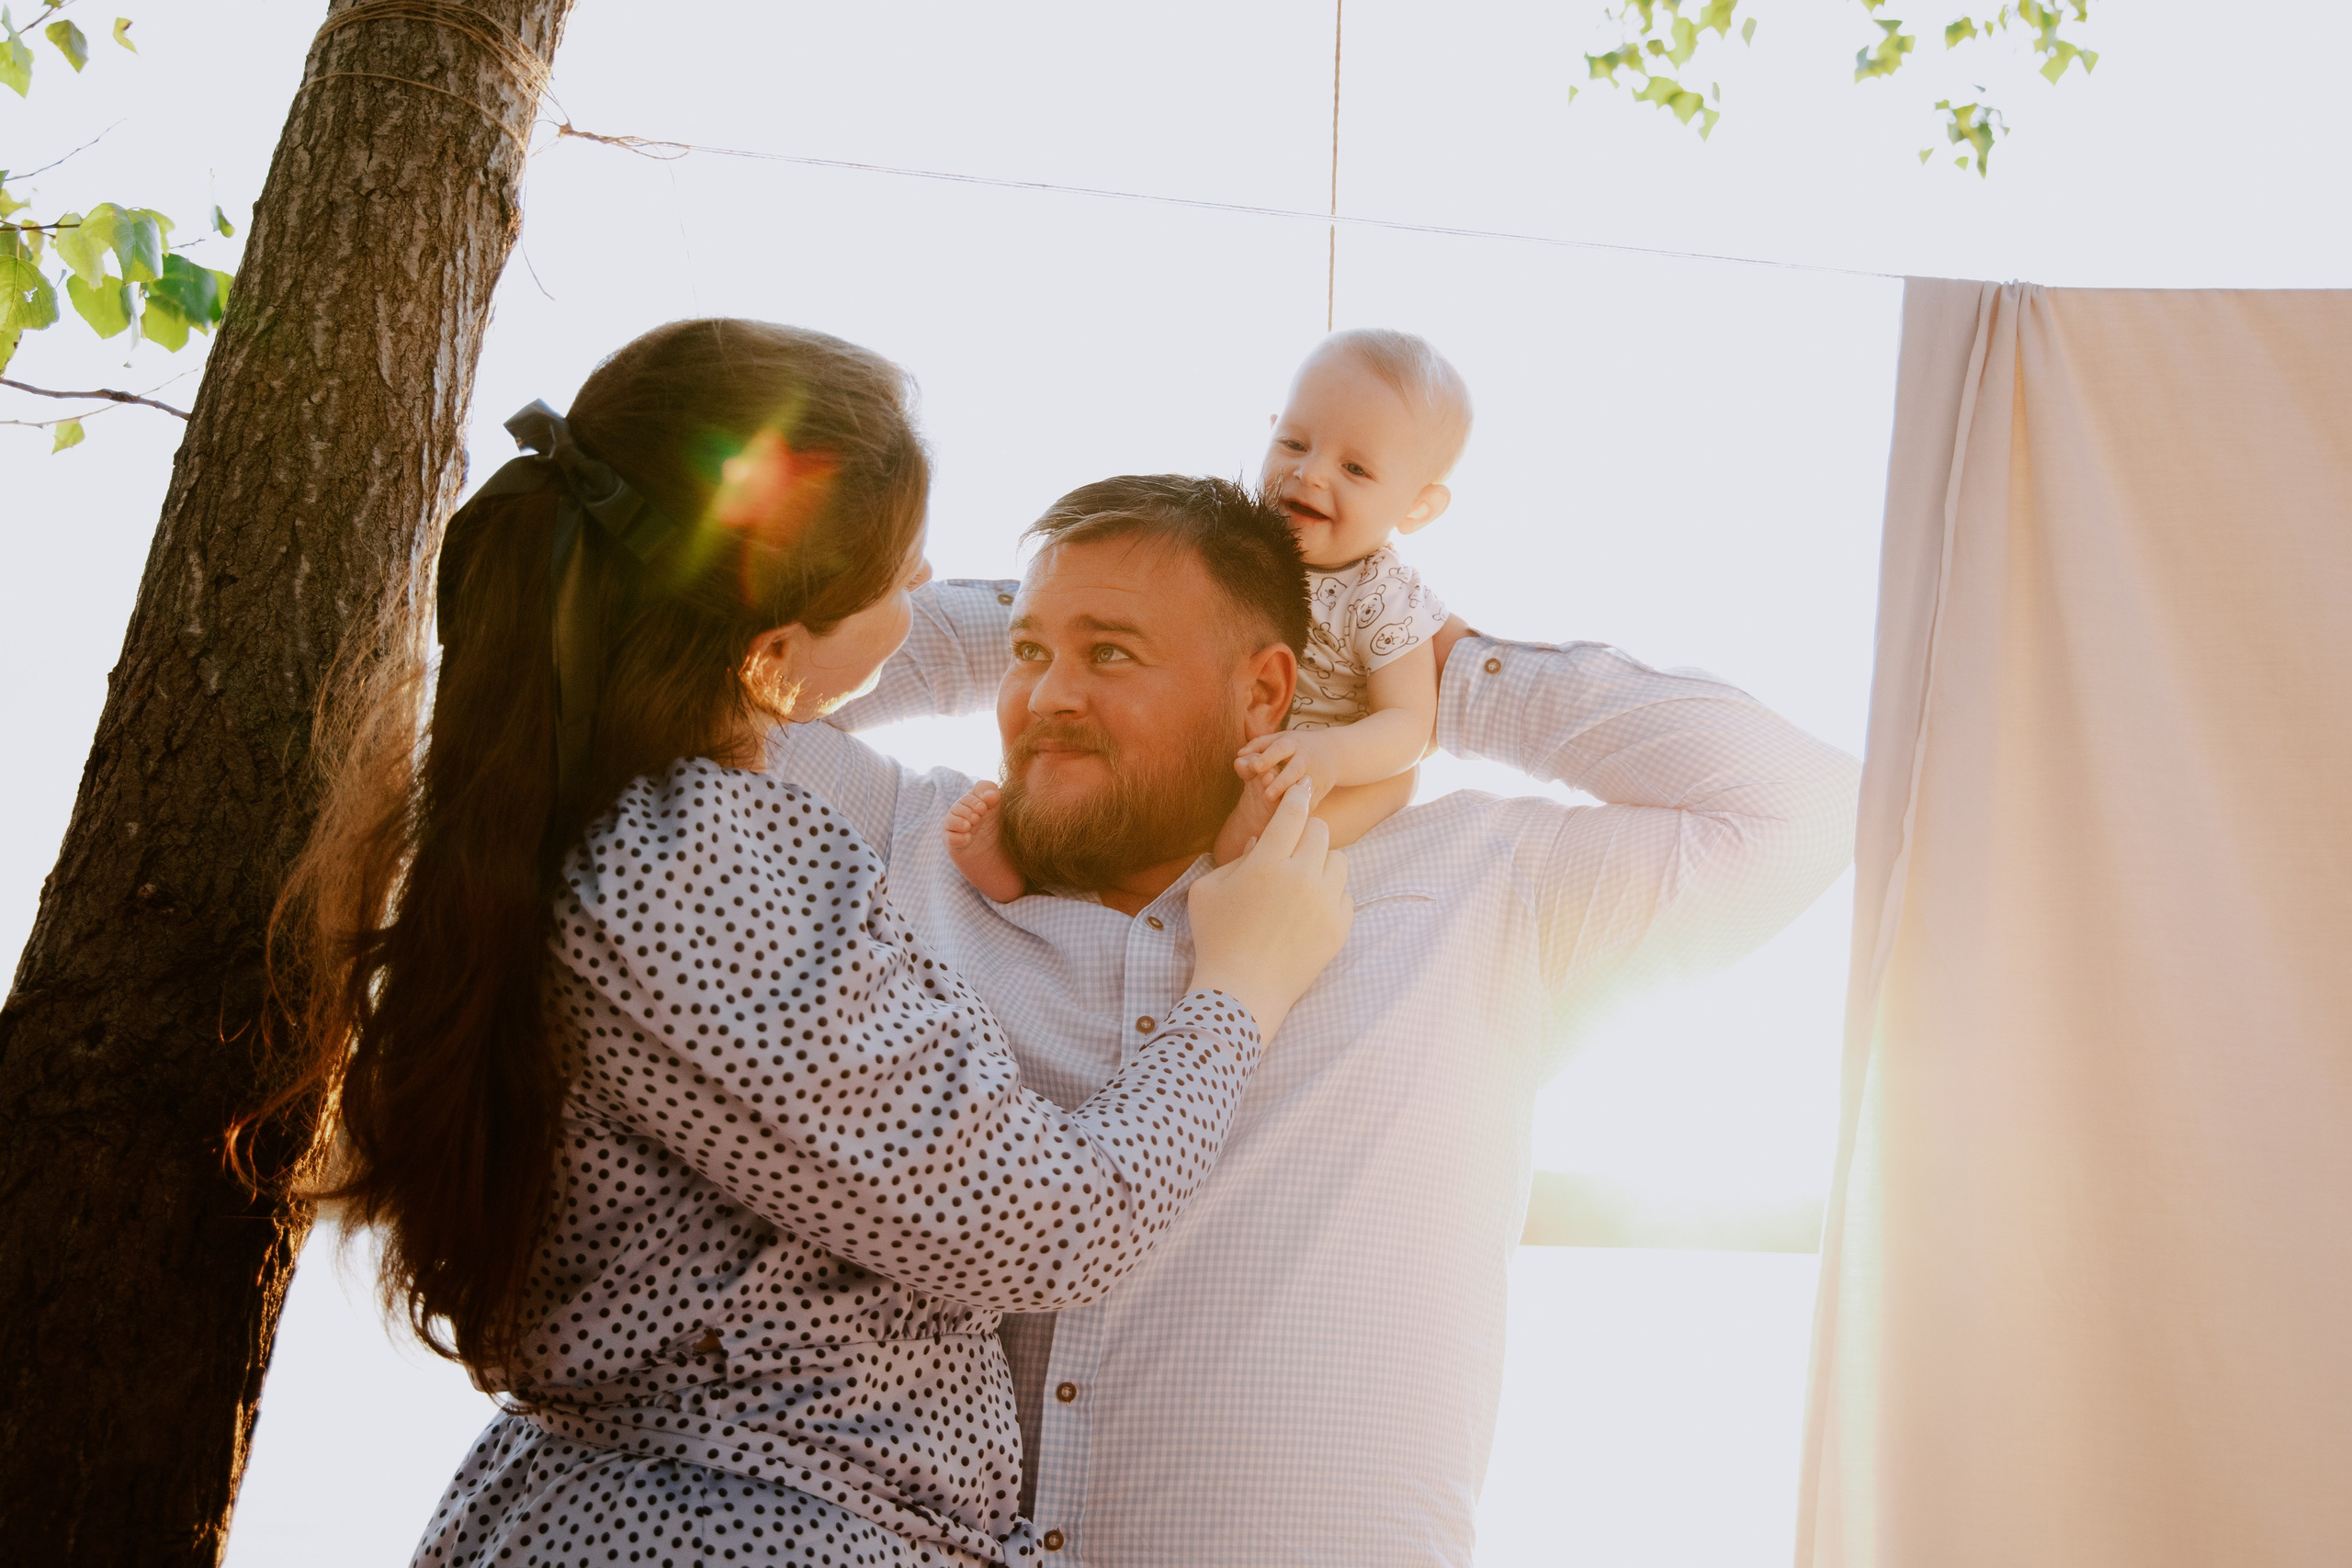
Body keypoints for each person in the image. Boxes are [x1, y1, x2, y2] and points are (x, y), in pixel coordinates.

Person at [251, 321, 1353, 1568]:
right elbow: (1046, 1220)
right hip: (755, 1533)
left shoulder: (570, 811)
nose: (938, 591)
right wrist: (1241, 986)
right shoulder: (699, 853)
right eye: (898, 573)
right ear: (770, 649)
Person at [787, 471, 1861, 1565]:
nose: (1045, 697)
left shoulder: (1475, 888)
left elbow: (1802, 805)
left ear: (1265, 693)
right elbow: (706, 715)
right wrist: (1033, 609)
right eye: (1028, 655)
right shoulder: (901, 850)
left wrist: (1412, 656)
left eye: (1111, 653)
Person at [943, 329, 1467, 899]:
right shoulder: (1231, 552)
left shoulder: (1387, 593)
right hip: (1234, 750)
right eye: (1294, 444)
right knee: (1099, 781)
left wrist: (1331, 755)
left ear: (1418, 505)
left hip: (1331, 758)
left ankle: (1262, 844)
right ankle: (1012, 867)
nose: (1311, 473)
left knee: (1396, 779)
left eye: (1356, 469)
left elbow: (1410, 726)